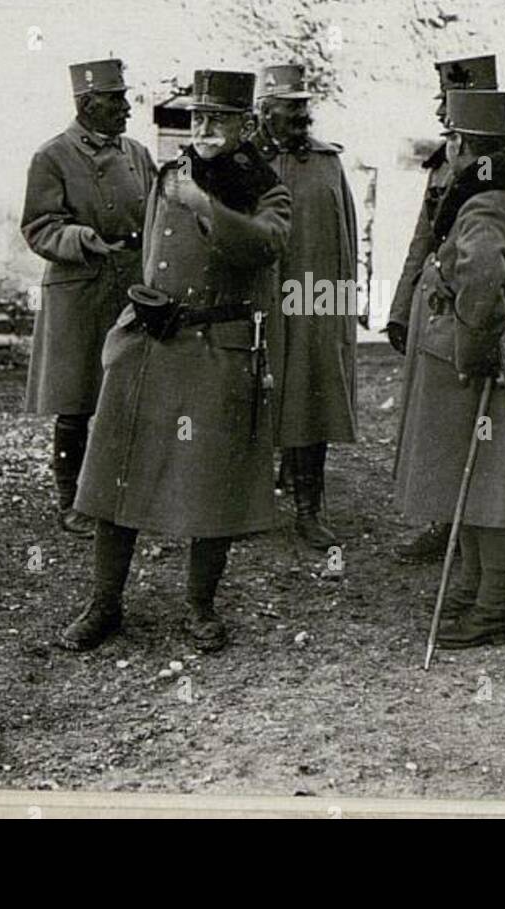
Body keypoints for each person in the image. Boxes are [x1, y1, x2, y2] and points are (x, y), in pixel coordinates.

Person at [61, 69, 292, 653]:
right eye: (197, 118)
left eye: (217, 118)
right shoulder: (169, 173)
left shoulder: (266, 188)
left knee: (209, 484)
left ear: (246, 124)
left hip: (215, 351)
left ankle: (199, 607)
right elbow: (153, 254)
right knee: (117, 472)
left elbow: (264, 246)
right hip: (150, 344)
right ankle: (104, 603)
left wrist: (206, 206)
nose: (204, 128)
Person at [395, 89, 505, 648]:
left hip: (491, 352)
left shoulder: (484, 202)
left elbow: (481, 279)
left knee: (489, 485)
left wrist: (475, 345)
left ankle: (492, 609)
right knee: (494, 479)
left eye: (453, 139)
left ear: (464, 143)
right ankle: (470, 589)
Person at [21, 58, 155, 535]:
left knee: (129, 393)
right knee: (76, 402)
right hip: (81, 290)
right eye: (116, 99)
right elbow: (38, 226)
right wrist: (81, 238)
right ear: (86, 104)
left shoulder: (138, 153)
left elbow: (158, 212)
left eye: (125, 97)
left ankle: (124, 493)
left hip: (129, 285)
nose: (126, 108)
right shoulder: (53, 156)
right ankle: (70, 499)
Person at [253, 64, 359, 552]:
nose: (301, 114)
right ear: (264, 110)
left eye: (304, 105)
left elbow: (346, 238)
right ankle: (246, 500)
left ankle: (308, 508)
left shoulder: (327, 162)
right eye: (290, 106)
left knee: (312, 396)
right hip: (258, 302)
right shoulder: (243, 160)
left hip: (314, 299)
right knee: (249, 394)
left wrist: (342, 305)